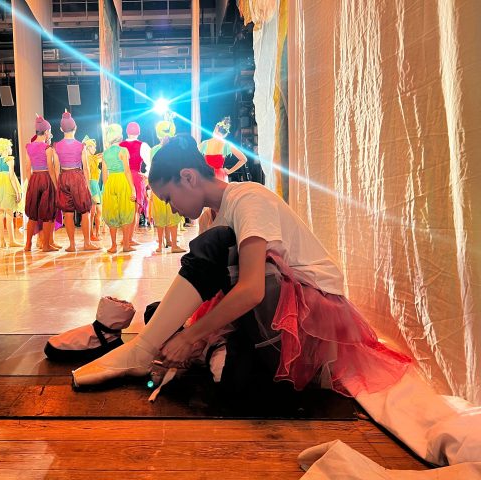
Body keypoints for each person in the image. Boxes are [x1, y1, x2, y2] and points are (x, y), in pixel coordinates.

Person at [72, 135, 411, 399]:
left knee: (212, 255)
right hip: (271, 311)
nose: (172, 209)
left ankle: (147, 352)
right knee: (159, 314)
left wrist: (190, 336)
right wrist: (190, 335)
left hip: (307, 317)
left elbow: (251, 290)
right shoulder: (215, 215)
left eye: (169, 198)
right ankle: (202, 354)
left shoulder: (248, 197)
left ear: (188, 177)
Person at [54, 111, 100, 252]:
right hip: (78, 177)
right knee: (85, 211)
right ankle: (87, 243)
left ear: (61, 129)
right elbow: (86, 168)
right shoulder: (81, 146)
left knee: (68, 212)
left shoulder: (56, 146)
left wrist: (57, 185)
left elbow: (56, 169)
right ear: (75, 128)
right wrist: (88, 187)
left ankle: (72, 245)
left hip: (63, 177)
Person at [149, 118, 185, 254]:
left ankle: (161, 245)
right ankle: (173, 245)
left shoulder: (154, 150)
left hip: (158, 185)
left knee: (160, 215)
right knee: (172, 215)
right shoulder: (176, 149)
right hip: (171, 185)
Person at [23, 115, 58, 252]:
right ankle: (46, 246)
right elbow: (51, 169)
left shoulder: (28, 147)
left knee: (32, 215)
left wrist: (31, 182)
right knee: (47, 214)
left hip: (34, 179)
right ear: (47, 131)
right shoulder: (47, 148)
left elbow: (27, 168)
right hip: (45, 179)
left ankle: (27, 245)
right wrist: (55, 186)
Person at [101, 124, 137, 254]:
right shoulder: (123, 151)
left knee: (112, 213)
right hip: (122, 181)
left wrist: (106, 189)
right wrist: (133, 189)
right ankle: (126, 245)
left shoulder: (105, 153)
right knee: (126, 211)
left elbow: (104, 174)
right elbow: (127, 171)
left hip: (111, 182)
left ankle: (113, 246)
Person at [119, 122, 151, 247]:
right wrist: (146, 174)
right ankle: (129, 238)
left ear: (127, 132)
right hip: (135, 177)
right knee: (135, 210)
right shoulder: (142, 145)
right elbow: (151, 162)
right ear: (138, 132)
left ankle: (124, 238)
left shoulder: (120, 145)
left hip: (122, 177)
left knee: (125, 209)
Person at [0, 138, 22, 248]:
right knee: (9, 214)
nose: (11, 149)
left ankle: (2, 242)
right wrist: (17, 192)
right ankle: (12, 241)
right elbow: (11, 177)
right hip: (7, 187)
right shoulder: (9, 160)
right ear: (6, 148)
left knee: (0, 214)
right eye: (10, 147)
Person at [198, 117, 247, 182]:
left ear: (216, 128)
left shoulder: (204, 144)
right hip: (220, 177)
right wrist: (230, 171)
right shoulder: (227, 145)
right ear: (226, 134)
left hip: (207, 175)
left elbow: (193, 157)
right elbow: (244, 159)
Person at [83, 135, 103, 241]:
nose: (95, 149)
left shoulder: (94, 158)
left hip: (96, 185)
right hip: (91, 184)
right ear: (88, 148)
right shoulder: (88, 159)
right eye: (93, 147)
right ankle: (91, 234)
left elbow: (102, 155)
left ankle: (97, 233)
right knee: (92, 211)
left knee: (99, 211)